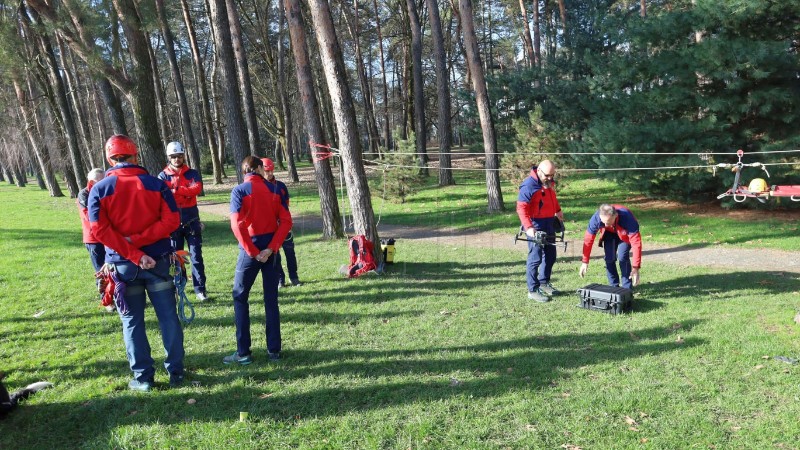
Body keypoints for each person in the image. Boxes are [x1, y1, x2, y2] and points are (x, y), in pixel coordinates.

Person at [88, 135, 185, 392]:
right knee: (168, 318)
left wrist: (132, 250)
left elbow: (99, 230)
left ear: (109, 159)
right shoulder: (156, 184)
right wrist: (141, 246)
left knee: (132, 322)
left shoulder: (99, 189)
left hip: (123, 267)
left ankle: (143, 378)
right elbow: (172, 221)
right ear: (136, 156)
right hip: (158, 262)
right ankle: (176, 372)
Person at [225, 156, 292, 364]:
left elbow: (237, 225)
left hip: (250, 250)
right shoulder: (273, 190)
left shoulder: (239, 191)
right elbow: (286, 221)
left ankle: (243, 353)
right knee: (271, 300)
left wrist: (253, 251)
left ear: (245, 170)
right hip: (270, 249)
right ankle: (274, 351)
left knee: (240, 297)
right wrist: (272, 248)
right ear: (259, 169)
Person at [158, 142, 209, 302]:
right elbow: (164, 196)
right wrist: (184, 192)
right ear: (169, 158)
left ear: (183, 156)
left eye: (179, 156)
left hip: (192, 220)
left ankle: (200, 289)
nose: (177, 159)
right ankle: (178, 287)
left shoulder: (192, 173)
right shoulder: (162, 176)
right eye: (173, 156)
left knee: (196, 257)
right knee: (175, 258)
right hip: (173, 223)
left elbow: (196, 189)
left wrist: (177, 190)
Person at [516, 159, 564, 303]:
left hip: (549, 222)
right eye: (548, 175)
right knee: (535, 258)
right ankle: (533, 290)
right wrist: (529, 228)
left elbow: (551, 197)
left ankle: (544, 282)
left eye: (552, 175)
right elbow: (521, 208)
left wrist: (558, 210)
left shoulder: (548, 183)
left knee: (550, 256)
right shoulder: (528, 186)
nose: (550, 178)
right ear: (539, 171)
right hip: (535, 225)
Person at [579, 204, 642, 289]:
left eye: (608, 222)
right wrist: (585, 261)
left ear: (615, 215)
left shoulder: (626, 217)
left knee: (622, 257)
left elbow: (636, 243)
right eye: (603, 222)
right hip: (609, 234)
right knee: (609, 258)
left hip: (625, 235)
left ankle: (627, 288)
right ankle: (614, 287)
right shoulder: (596, 218)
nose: (605, 224)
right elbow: (588, 240)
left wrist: (635, 267)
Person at [77, 168, 114, 312]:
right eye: (101, 180)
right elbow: (92, 216)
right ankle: (106, 301)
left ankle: (117, 295)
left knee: (112, 268)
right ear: (92, 181)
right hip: (93, 239)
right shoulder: (84, 194)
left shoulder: (104, 191)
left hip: (108, 236)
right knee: (101, 271)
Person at [261, 158, 301, 287]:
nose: (270, 173)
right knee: (275, 256)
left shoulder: (281, 186)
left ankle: (294, 277)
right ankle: (280, 279)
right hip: (270, 229)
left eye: (272, 170)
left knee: (290, 253)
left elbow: (286, 205)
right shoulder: (259, 188)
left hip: (284, 227)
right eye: (267, 171)